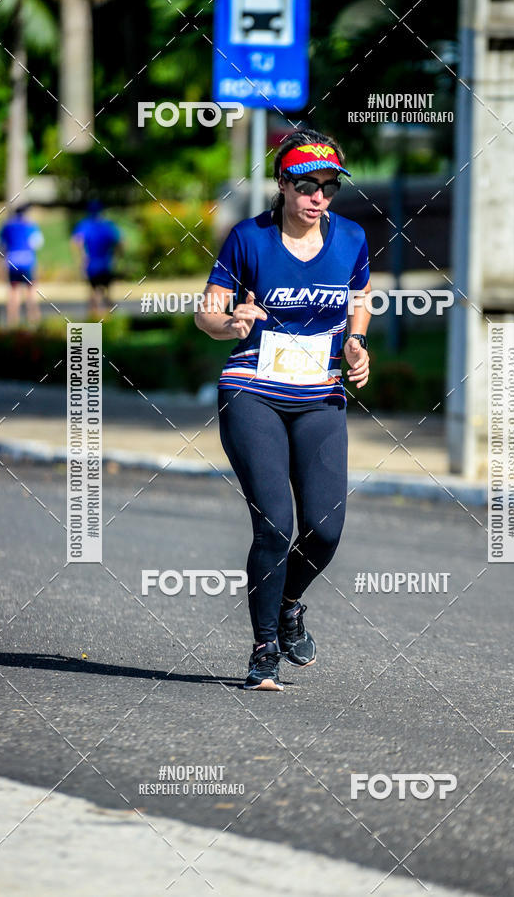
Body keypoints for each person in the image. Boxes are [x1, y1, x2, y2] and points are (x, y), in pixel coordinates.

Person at [196, 130, 372, 691]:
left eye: (328, 187)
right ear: (282, 184)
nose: (318, 197)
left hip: (319, 394)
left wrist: (356, 345)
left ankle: (290, 600)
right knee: (274, 522)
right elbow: (208, 312)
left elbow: (360, 298)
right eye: (306, 185)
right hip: (252, 390)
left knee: (324, 529)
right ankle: (264, 649)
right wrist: (229, 324)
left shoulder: (351, 238)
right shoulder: (249, 238)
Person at [71, 201, 121, 315]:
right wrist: (115, 256)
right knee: (107, 294)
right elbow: (120, 242)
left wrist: (81, 258)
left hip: (91, 265)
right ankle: (110, 322)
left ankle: (94, 324)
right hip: (106, 264)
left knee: (93, 295)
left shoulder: (85, 225)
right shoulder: (108, 225)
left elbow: (76, 242)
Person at [0, 204, 44, 327]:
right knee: (31, 292)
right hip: (27, 261)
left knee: (13, 291)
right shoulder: (30, 225)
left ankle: (12, 323)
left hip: (12, 261)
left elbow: (0, 244)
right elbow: (37, 243)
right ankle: (34, 321)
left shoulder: (7, 226)